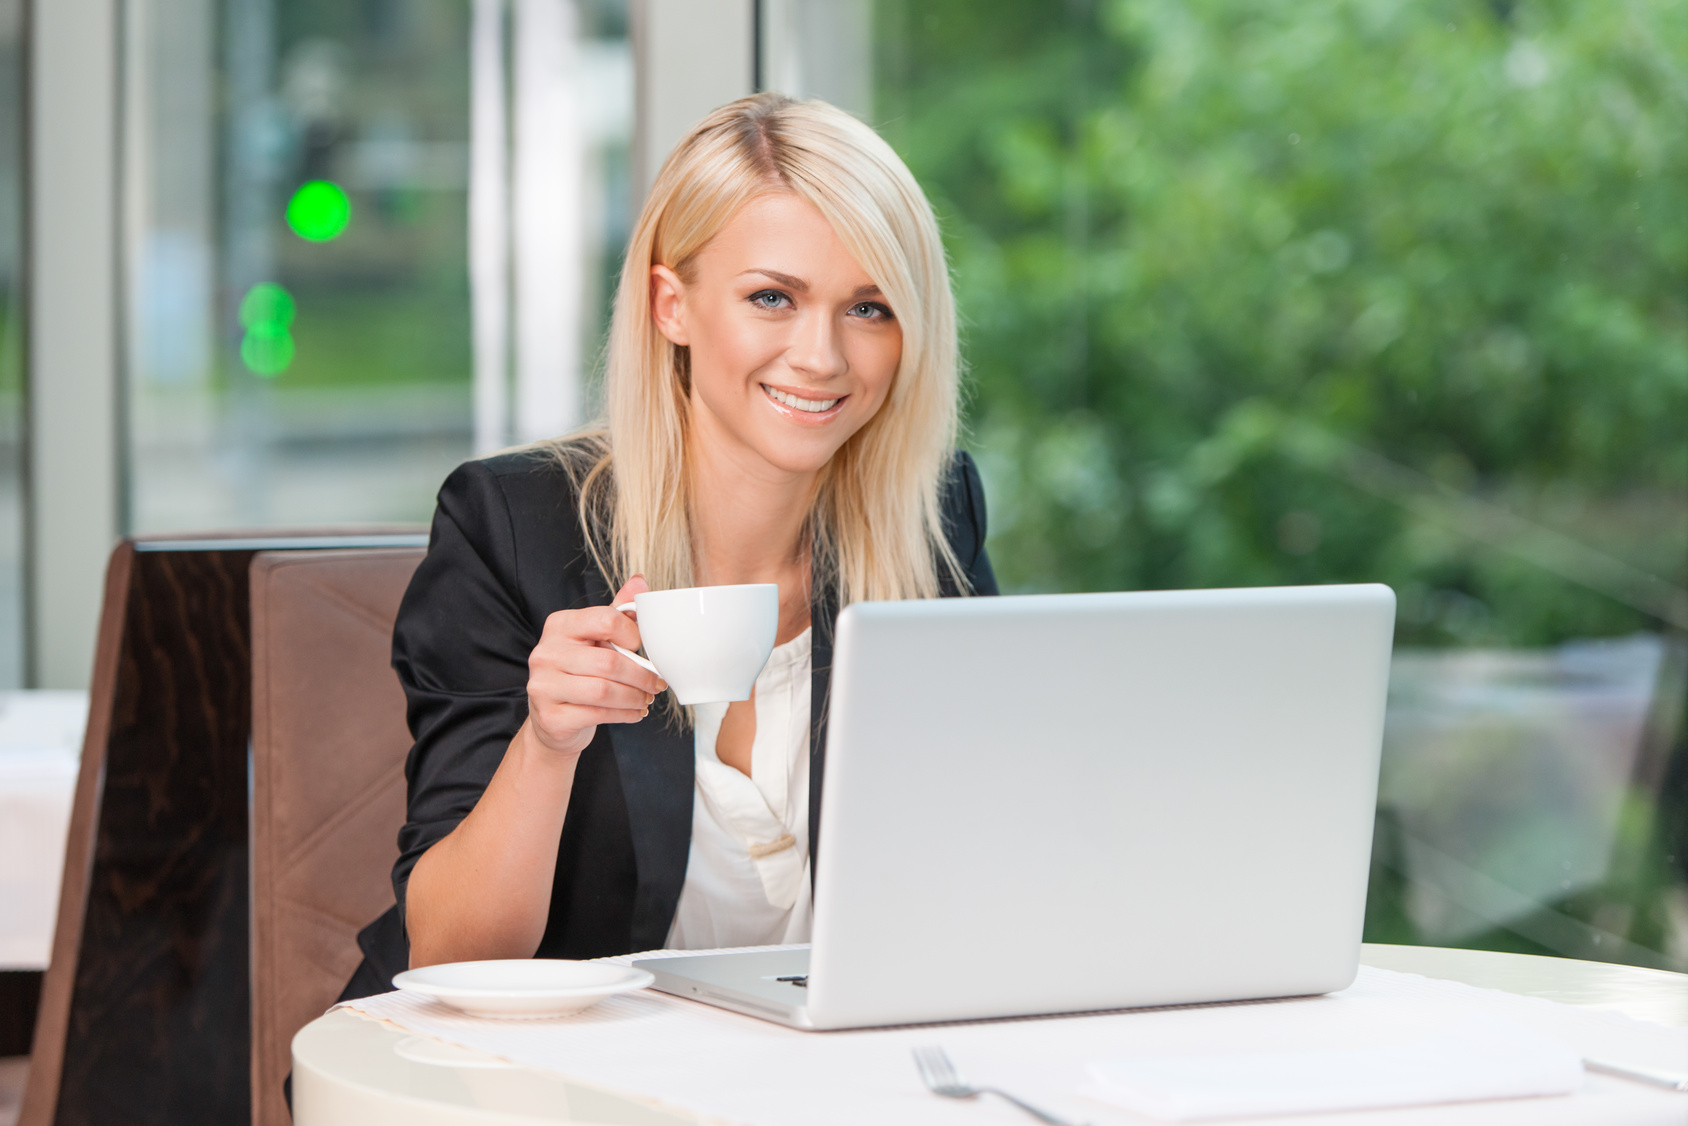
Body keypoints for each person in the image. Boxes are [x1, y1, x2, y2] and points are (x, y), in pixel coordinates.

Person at [339, 93, 997, 997]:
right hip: (538, 1077)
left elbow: (980, 867)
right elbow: (452, 955)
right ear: (670, 305)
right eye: (773, 297)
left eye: (870, 308)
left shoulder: (933, 521)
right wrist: (549, 742)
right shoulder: (515, 527)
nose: (823, 355)